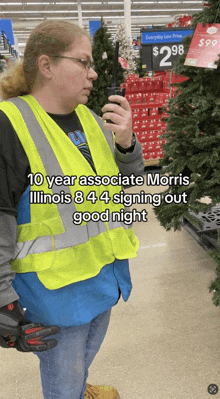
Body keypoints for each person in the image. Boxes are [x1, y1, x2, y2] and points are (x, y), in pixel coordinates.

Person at [0, 20, 144, 399]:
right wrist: (1, 299)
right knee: (63, 379)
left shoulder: (89, 119)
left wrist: (126, 143)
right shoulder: (10, 125)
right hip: (55, 292)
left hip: (102, 277)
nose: (93, 73)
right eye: (83, 62)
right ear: (46, 65)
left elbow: (124, 185)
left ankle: (81, 389)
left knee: (81, 362)